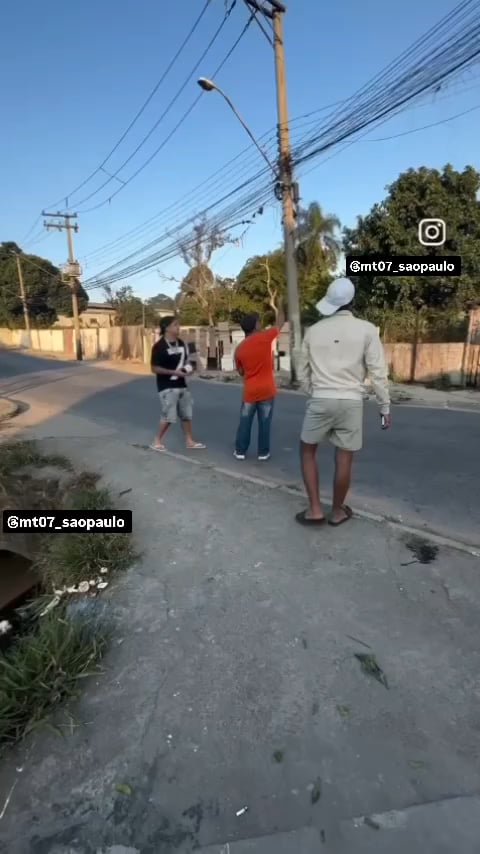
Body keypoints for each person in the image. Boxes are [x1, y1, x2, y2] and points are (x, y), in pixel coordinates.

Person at [296, 277, 391, 527]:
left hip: (321, 398)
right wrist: (384, 407)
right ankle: (337, 512)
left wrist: (313, 391)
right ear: (352, 301)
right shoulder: (367, 330)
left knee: (307, 451)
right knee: (344, 458)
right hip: (351, 402)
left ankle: (315, 510)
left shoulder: (314, 330)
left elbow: (302, 370)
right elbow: (378, 373)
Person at [233, 307, 285, 461]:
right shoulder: (265, 337)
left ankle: (240, 451)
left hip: (250, 392)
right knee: (265, 423)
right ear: (255, 325)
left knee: (245, 422)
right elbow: (280, 323)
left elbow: (241, 372)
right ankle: (263, 452)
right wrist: (280, 306)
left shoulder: (239, 349)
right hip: (267, 390)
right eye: (259, 322)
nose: (260, 324)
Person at [150, 316, 206, 452]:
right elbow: (154, 368)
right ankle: (156, 441)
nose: (178, 327)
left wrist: (189, 368)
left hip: (182, 385)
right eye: (175, 325)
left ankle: (189, 441)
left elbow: (189, 360)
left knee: (186, 414)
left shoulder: (182, 343)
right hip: (167, 386)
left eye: (178, 324)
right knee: (169, 416)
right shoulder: (159, 347)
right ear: (167, 328)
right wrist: (173, 372)